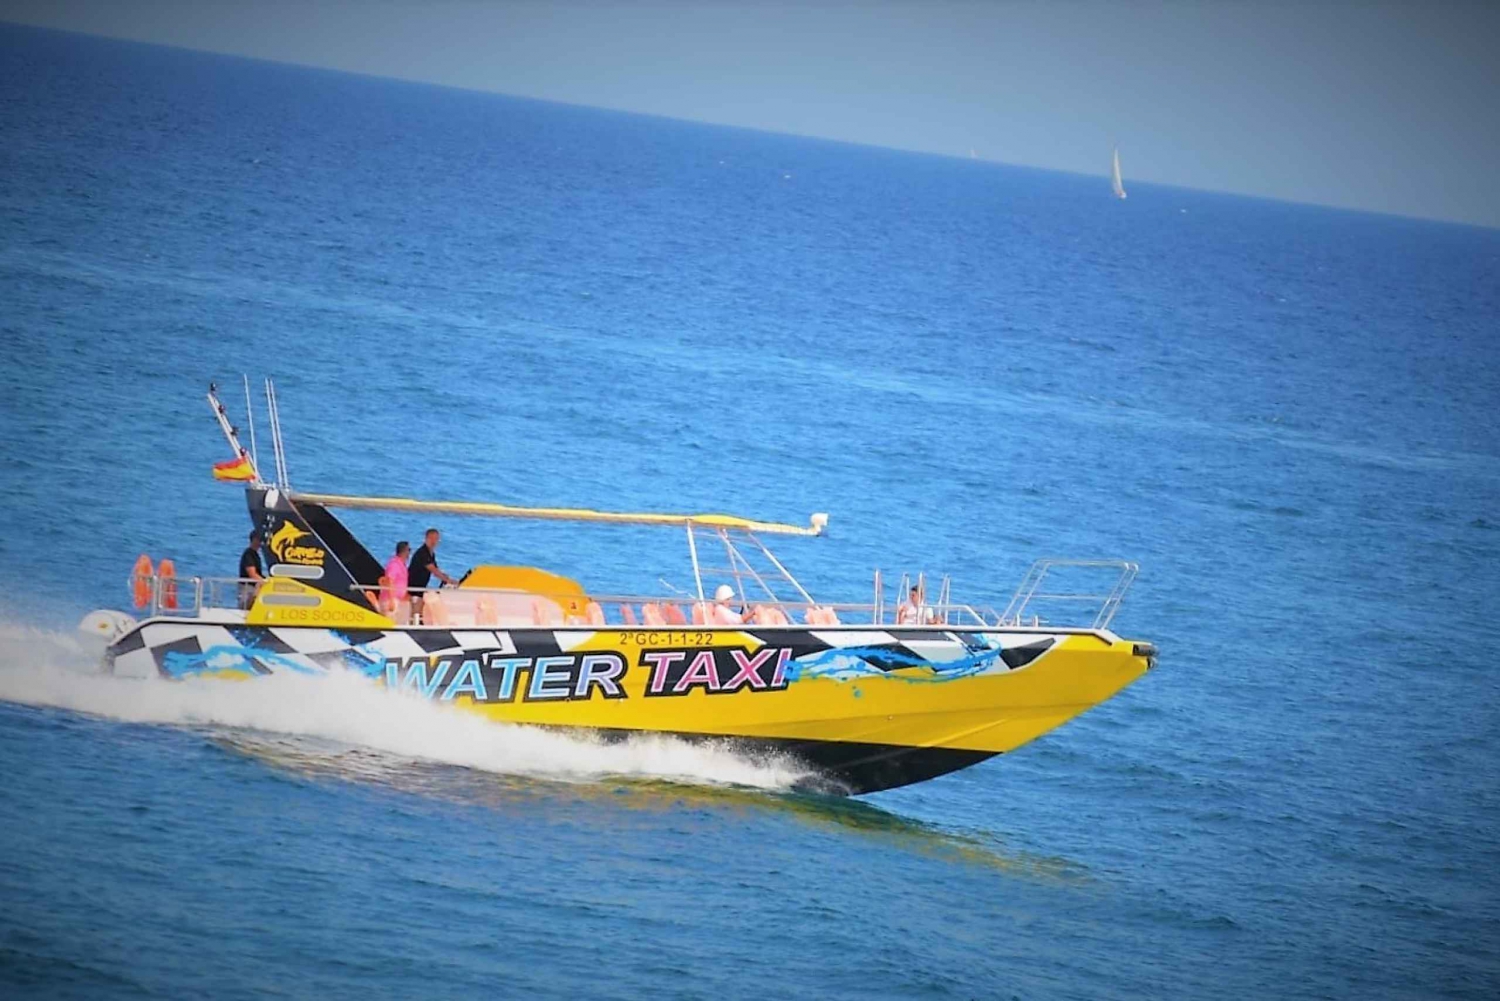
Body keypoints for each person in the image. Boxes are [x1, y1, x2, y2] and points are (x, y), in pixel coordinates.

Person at [407, 528, 455, 623]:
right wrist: (448, 580)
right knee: (416, 611)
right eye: (431, 538)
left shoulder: (431, 553)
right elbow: (433, 570)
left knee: (420, 609)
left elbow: (436, 569)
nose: (434, 541)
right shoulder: (423, 553)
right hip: (414, 587)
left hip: (421, 587)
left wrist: (448, 579)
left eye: (436, 539)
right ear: (426, 539)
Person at [381, 541, 410, 623]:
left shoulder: (402, 565)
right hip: (391, 599)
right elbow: (390, 580)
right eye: (409, 550)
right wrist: (391, 599)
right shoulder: (394, 564)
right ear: (404, 551)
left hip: (398, 600)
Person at [238, 529, 265, 609]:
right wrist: (265, 582)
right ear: (254, 539)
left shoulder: (255, 555)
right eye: (259, 539)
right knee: (245, 608)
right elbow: (252, 574)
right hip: (248, 588)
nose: (261, 542)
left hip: (252, 587)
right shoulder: (248, 554)